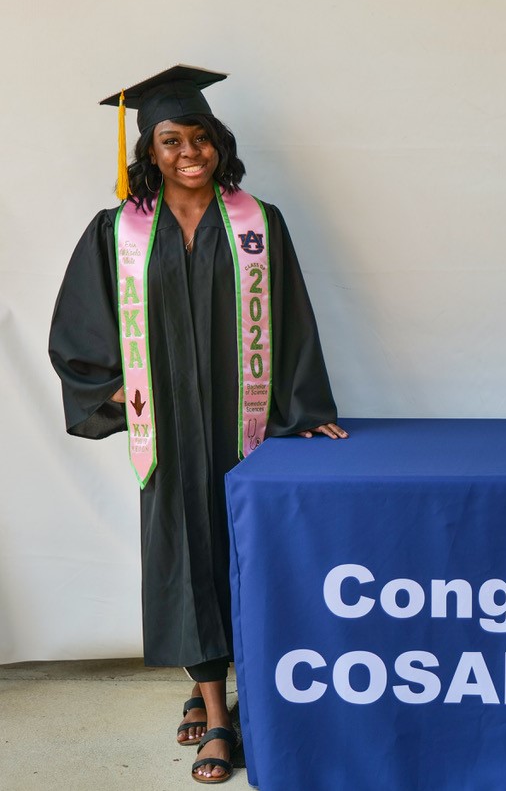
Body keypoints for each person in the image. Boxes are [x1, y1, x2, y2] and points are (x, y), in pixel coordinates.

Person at [49, 65, 348, 784]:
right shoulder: (117, 231)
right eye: (172, 139)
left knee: (244, 553)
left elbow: (293, 320)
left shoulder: (258, 225)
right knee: (186, 560)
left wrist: (306, 409)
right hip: (170, 430)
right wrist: (117, 390)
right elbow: (80, 326)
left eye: (201, 137)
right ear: (149, 152)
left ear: (220, 142)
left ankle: (207, 680)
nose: (190, 152)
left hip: (243, 424)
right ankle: (218, 714)